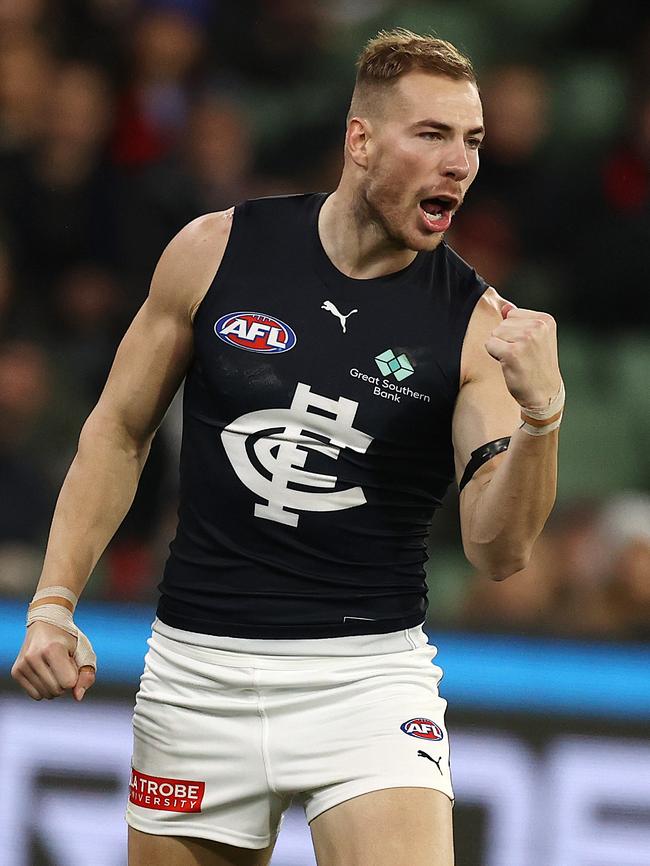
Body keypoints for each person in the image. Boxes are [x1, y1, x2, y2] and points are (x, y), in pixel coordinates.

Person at [11, 29, 564, 866]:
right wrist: (54, 602)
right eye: (433, 135)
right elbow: (117, 432)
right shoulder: (216, 250)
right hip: (198, 672)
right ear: (361, 140)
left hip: (367, 681)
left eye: (473, 141)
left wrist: (541, 420)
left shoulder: (475, 328)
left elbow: (497, 550)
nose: (460, 164)